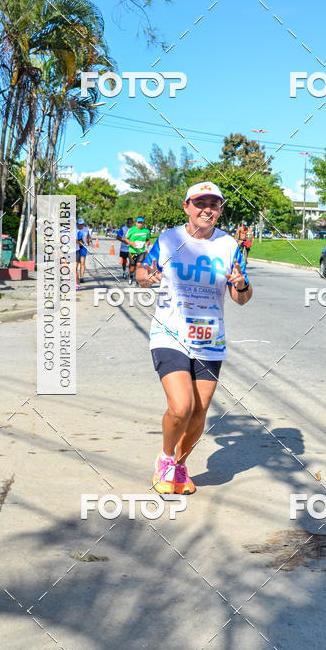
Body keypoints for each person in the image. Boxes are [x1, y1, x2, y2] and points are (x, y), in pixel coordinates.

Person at [136, 182, 253, 496]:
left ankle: (181, 465)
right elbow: (142, 273)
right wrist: (149, 276)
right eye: (200, 203)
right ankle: (165, 458)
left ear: (220, 210)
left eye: (214, 204)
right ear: (187, 206)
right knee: (181, 406)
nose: (207, 210)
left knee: (200, 410)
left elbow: (242, 297)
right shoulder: (170, 239)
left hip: (210, 339)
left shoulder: (229, 245)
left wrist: (241, 285)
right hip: (169, 333)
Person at [124, 216, 150, 285]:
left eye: (141, 222)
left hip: (141, 251)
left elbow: (147, 240)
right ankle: (131, 276)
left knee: (139, 265)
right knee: (132, 268)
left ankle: (137, 279)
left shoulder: (146, 231)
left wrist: (147, 243)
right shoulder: (131, 230)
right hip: (132, 251)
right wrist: (131, 243)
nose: (140, 224)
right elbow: (126, 238)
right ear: (136, 223)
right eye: (139, 222)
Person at [75, 218, 92, 288]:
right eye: (80, 224)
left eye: (82, 224)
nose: (81, 225)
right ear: (78, 224)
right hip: (76, 247)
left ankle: (81, 277)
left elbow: (88, 237)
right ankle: (76, 276)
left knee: (82, 262)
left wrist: (89, 241)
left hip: (83, 247)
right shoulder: (75, 229)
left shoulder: (86, 229)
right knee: (76, 265)